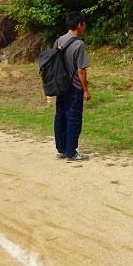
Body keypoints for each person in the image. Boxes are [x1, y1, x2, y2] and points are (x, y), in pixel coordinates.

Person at [54, 11, 91, 162]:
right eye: (84, 24)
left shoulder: (58, 41)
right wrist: (86, 89)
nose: (85, 27)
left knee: (60, 117)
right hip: (74, 87)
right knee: (73, 118)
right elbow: (81, 70)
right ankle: (72, 152)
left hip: (60, 86)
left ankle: (61, 150)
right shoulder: (78, 44)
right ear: (79, 25)